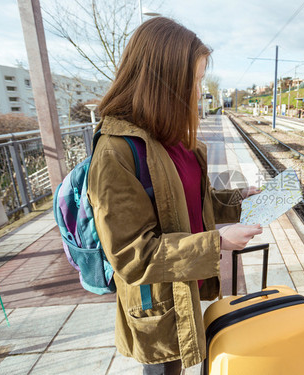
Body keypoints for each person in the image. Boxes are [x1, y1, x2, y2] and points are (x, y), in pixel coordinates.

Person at [87, 17, 262, 375]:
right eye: (195, 81)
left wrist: (242, 198)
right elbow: (131, 255)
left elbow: (194, 204)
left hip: (186, 286)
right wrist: (216, 245)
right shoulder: (116, 152)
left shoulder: (173, 138)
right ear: (164, 81)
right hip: (158, 304)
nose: (200, 92)